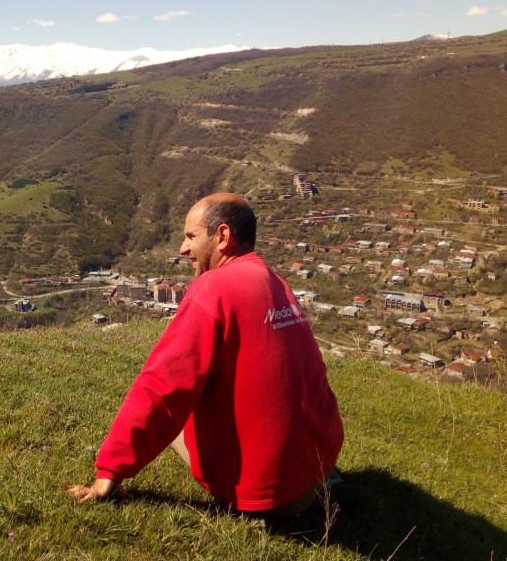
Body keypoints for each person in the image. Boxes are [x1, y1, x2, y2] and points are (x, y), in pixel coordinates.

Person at [66, 193, 345, 520]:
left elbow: (162, 389)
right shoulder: (276, 282)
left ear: (222, 236)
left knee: (181, 418)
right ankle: (326, 487)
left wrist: (109, 472)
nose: (183, 249)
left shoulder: (214, 287)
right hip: (318, 465)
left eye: (191, 236)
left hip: (271, 498)